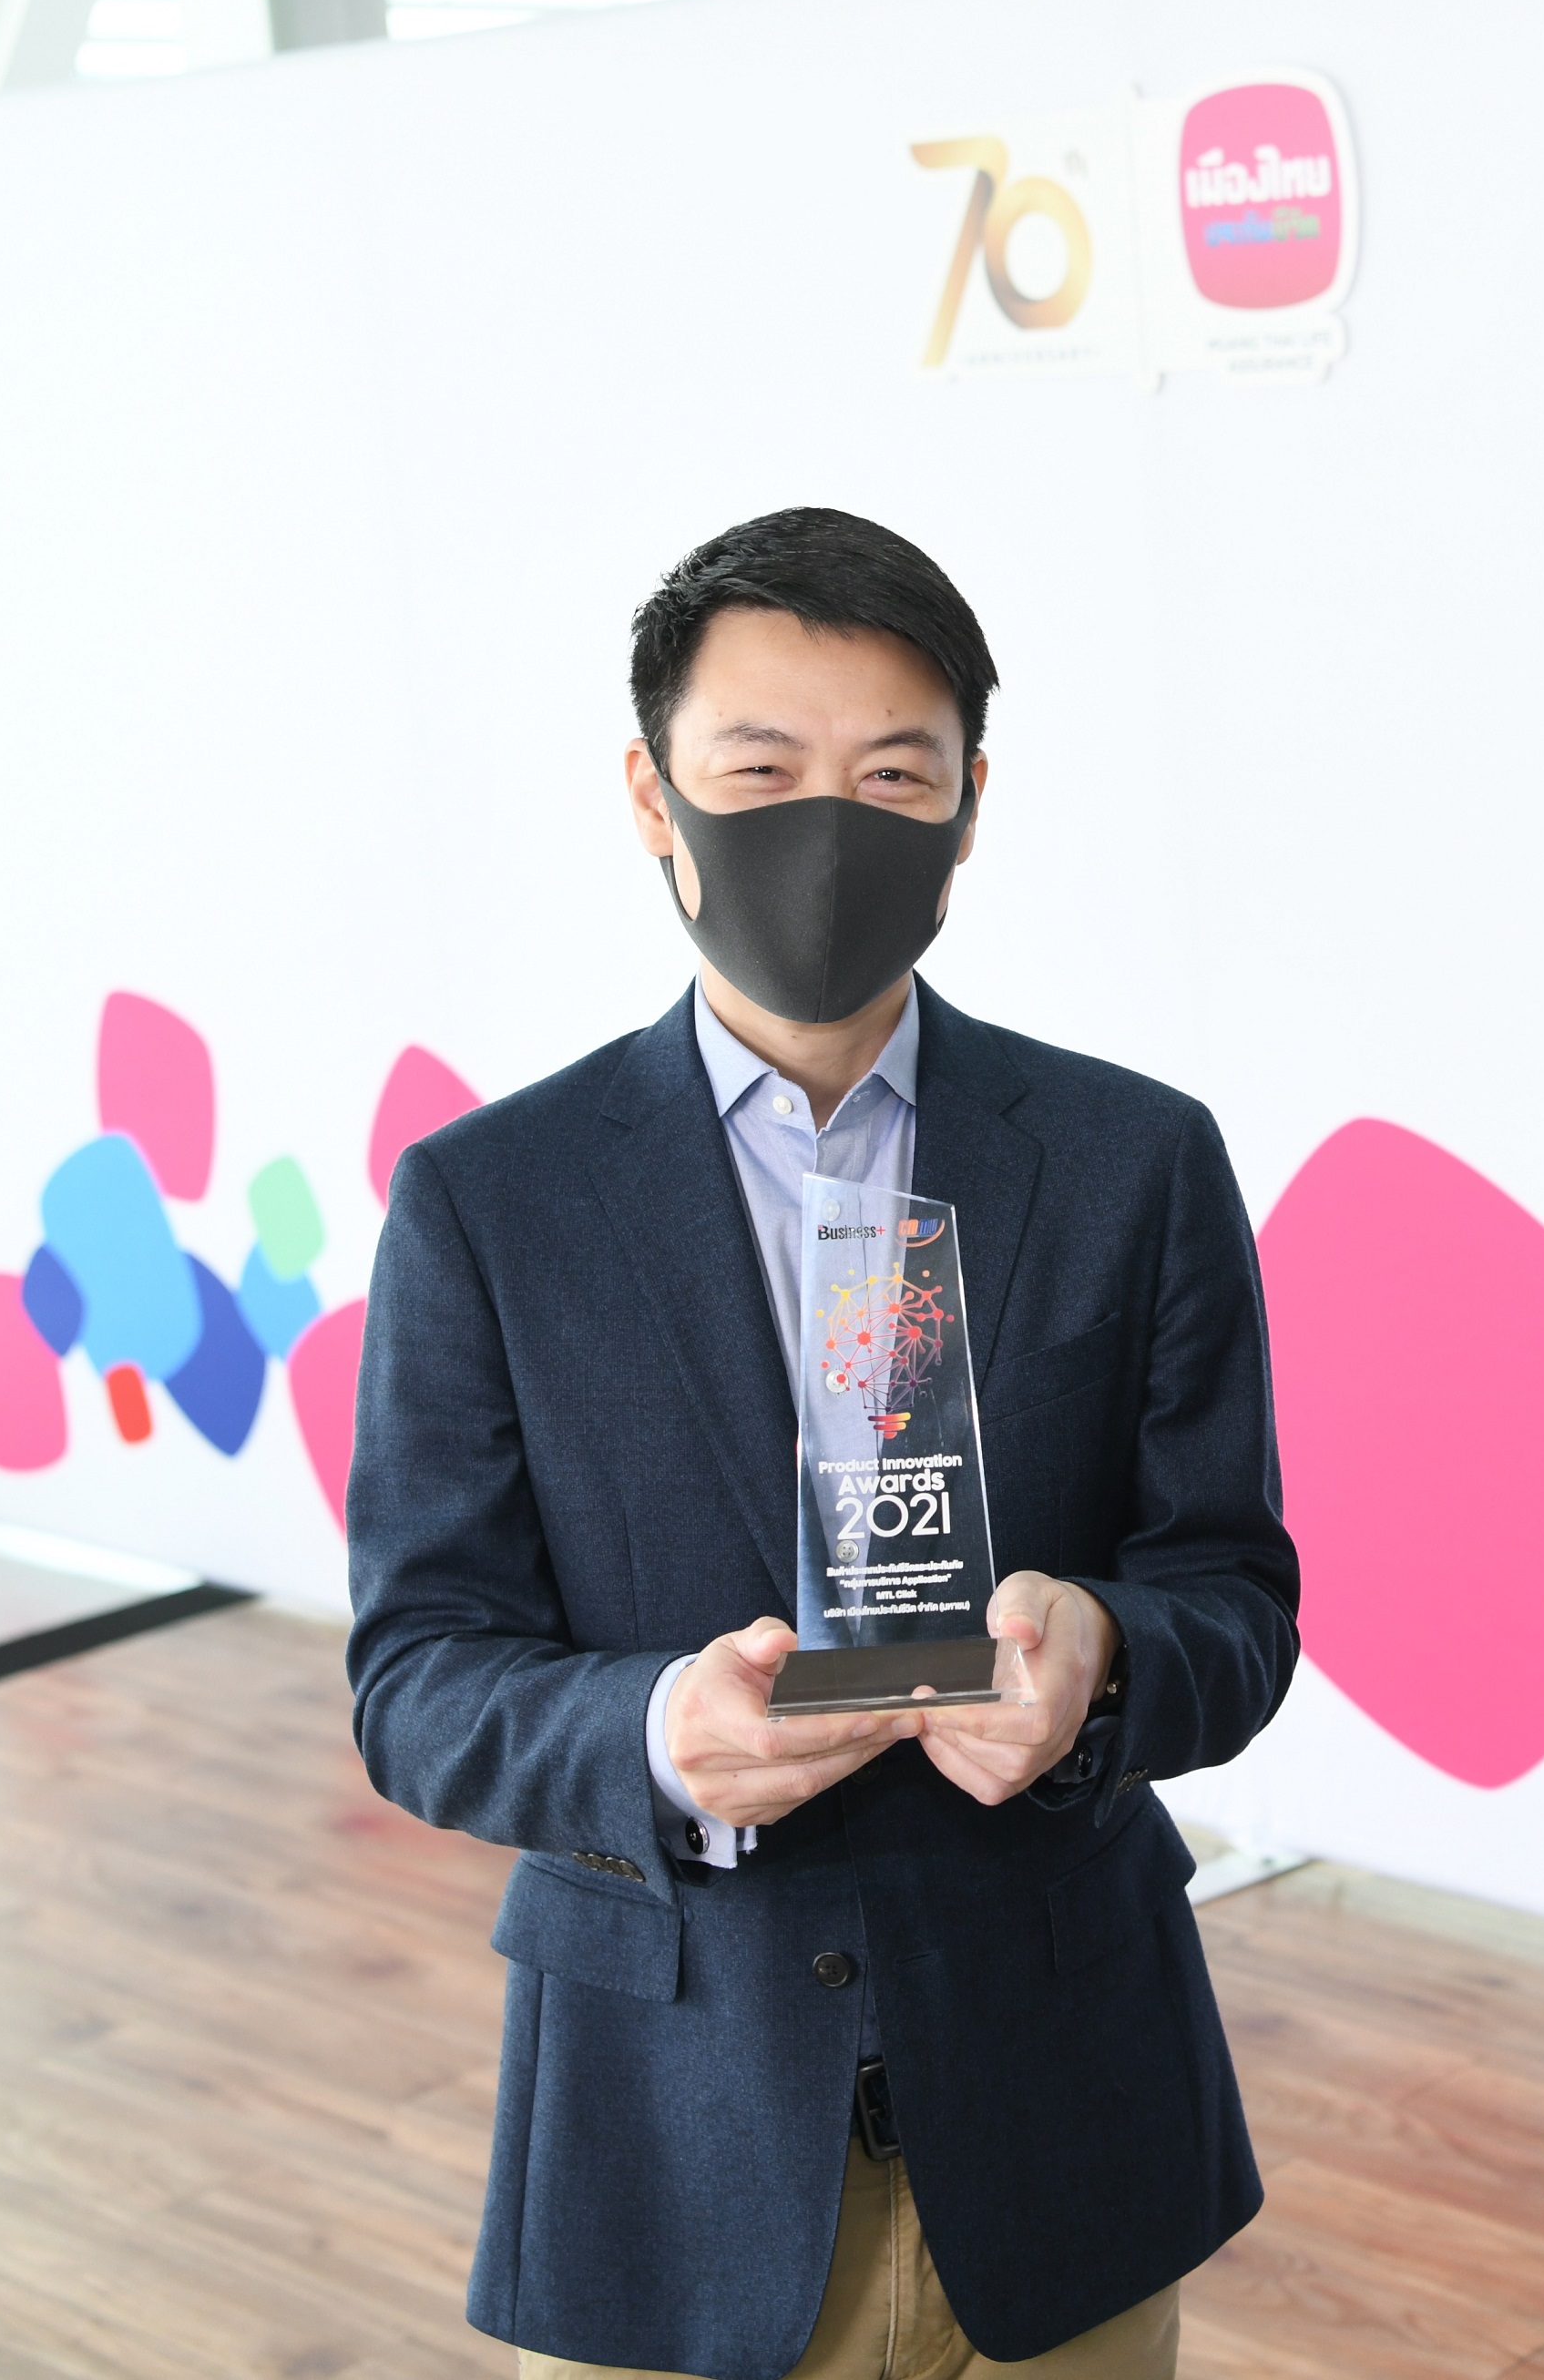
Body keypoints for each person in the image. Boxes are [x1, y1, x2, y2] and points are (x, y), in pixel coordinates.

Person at [345, 507, 1298, 2380]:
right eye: (760, 770)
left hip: (1062, 2102)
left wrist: (1104, 1661)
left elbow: (1235, 1597)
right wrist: (652, 1733)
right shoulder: (491, 1203)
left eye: (892, 777)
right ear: (653, 793)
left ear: (969, 805)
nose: (827, 829)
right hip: (662, 2133)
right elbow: (418, 1678)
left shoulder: (1133, 1160)